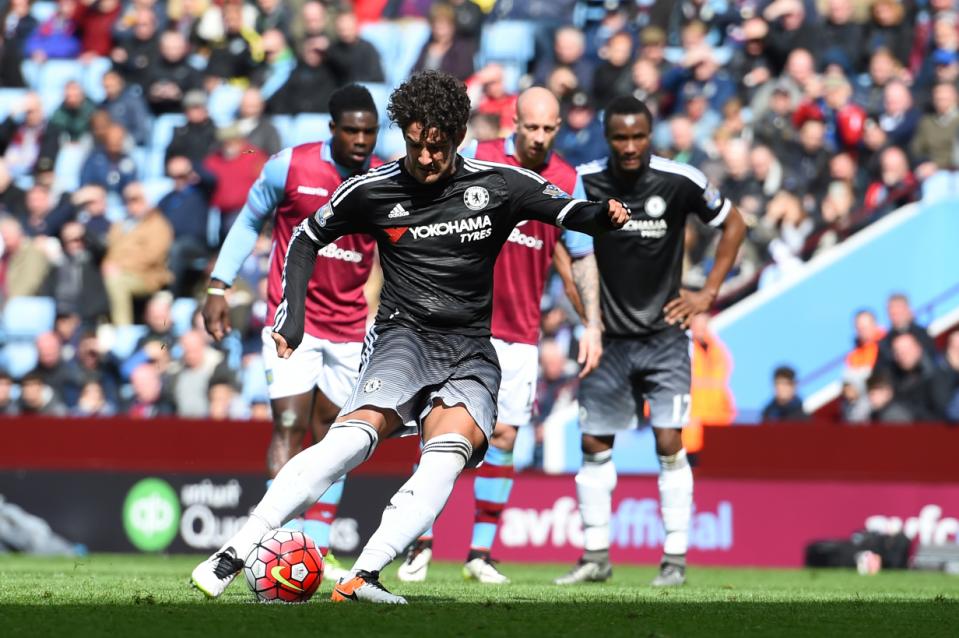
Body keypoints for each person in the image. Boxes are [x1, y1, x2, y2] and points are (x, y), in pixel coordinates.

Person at [190, 70, 628, 604]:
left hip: (470, 349)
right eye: (416, 145)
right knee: (349, 442)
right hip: (401, 339)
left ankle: (362, 577)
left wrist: (603, 216)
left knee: (447, 456)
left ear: (458, 136)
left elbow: (572, 213)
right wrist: (292, 311)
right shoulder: (373, 190)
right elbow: (305, 238)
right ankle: (233, 552)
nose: (424, 158)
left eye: (436, 148)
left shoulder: (500, 185)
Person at [396, 87, 602, 585]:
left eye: (548, 128)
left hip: (520, 334)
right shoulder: (478, 160)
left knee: (505, 437)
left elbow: (578, 255)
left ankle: (480, 555)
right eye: (530, 127)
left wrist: (592, 323)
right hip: (461, 324)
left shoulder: (566, 178)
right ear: (514, 121)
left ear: (558, 128)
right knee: (442, 434)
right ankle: (420, 541)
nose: (538, 136)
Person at [555, 96, 746, 588]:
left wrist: (707, 292)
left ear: (650, 132)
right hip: (609, 343)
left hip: (664, 337)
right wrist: (587, 318)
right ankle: (596, 556)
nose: (631, 146)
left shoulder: (681, 180)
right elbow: (563, 247)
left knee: (669, 442)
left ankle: (674, 562)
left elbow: (735, 224)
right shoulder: (585, 181)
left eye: (639, 136)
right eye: (621, 137)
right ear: (607, 135)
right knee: (594, 444)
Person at [200, 85, 382, 576]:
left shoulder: (385, 178)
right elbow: (248, 222)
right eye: (352, 131)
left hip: (349, 326)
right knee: (288, 423)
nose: (362, 140)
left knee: (333, 435)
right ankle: (270, 543)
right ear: (332, 129)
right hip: (291, 320)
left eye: (369, 131)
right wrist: (219, 286)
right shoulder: (289, 166)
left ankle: (316, 550)